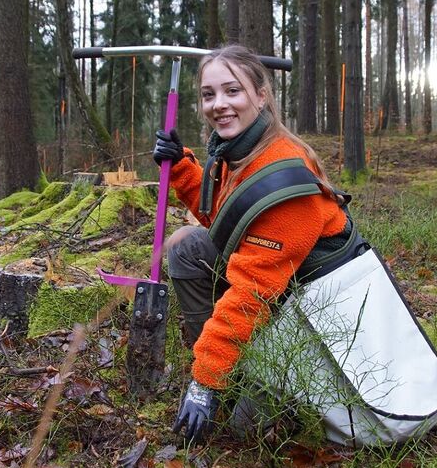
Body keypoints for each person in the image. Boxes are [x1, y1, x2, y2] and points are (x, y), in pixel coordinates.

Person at [152, 45, 366, 444]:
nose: (219, 104)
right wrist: (181, 166)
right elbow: (227, 222)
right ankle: (228, 367)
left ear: (261, 95)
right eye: (209, 94)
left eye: (232, 91)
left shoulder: (284, 171)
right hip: (282, 293)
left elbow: (251, 292)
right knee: (186, 246)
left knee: (244, 430)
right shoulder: (239, 151)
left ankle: (226, 370)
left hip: (316, 318)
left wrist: (204, 380)